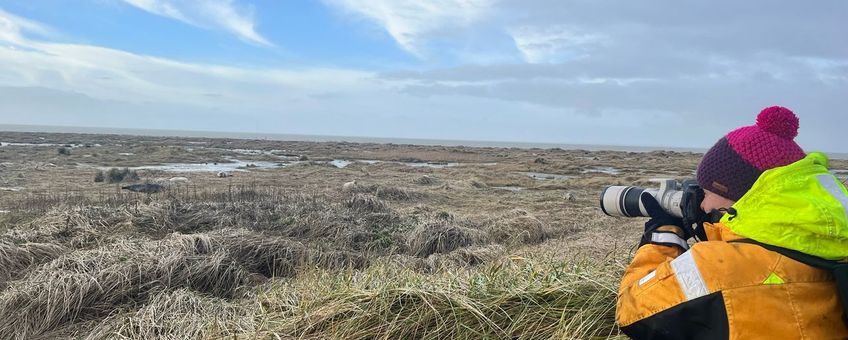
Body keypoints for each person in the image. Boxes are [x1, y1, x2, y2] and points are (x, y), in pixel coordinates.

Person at [615, 106, 848, 339]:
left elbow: (631, 312)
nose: (703, 206)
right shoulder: (829, 245)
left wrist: (663, 236)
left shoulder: (719, 267)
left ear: (737, 195)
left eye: (706, 193)